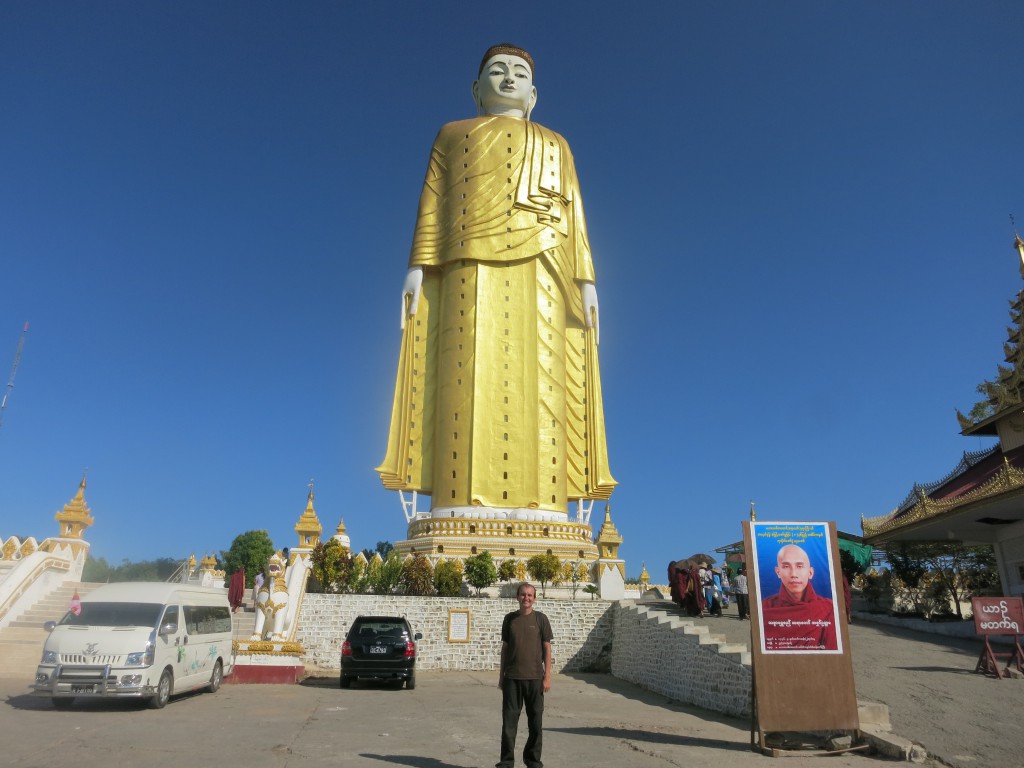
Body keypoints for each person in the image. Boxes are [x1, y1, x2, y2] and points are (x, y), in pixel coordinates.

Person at [377, 43, 616, 523]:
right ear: (475, 88)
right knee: (462, 377)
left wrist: (587, 279)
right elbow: (432, 203)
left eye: (519, 73)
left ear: (534, 94)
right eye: (497, 71)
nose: (509, 79)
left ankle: (547, 510)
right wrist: (416, 267)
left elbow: (576, 217)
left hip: (545, 269)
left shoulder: (556, 144)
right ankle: (454, 502)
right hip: (467, 265)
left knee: (546, 383)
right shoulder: (452, 135)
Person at [498, 582, 553, 768]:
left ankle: (533, 761)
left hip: (535, 678)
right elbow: (505, 649)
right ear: (517, 597)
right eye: (523, 595)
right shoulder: (509, 619)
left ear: (534, 598)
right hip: (512, 678)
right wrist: (501, 677)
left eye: (530, 595)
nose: (526, 598)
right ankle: (506, 763)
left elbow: (547, 647)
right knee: (509, 725)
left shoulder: (541, 619)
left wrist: (547, 677)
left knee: (536, 725)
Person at [761, 544, 838, 651]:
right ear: (778, 572)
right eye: (786, 566)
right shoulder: (764, 608)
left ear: (810, 573)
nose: (793, 574)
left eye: (800, 566)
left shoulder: (829, 608)